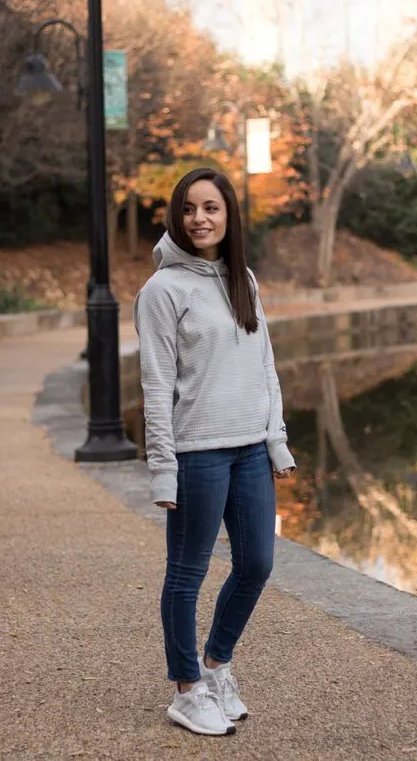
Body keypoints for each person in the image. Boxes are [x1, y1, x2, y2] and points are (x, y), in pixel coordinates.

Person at [134, 167, 295, 737]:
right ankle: (186, 690)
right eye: (188, 209)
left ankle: (217, 665)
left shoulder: (241, 279)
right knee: (186, 574)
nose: (199, 218)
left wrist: (275, 440)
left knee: (257, 564)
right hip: (197, 454)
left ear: (229, 217)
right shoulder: (161, 290)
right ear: (176, 218)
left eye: (211, 208)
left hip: (250, 450)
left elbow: (264, 366)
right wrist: (163, 470)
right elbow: (155, 384)